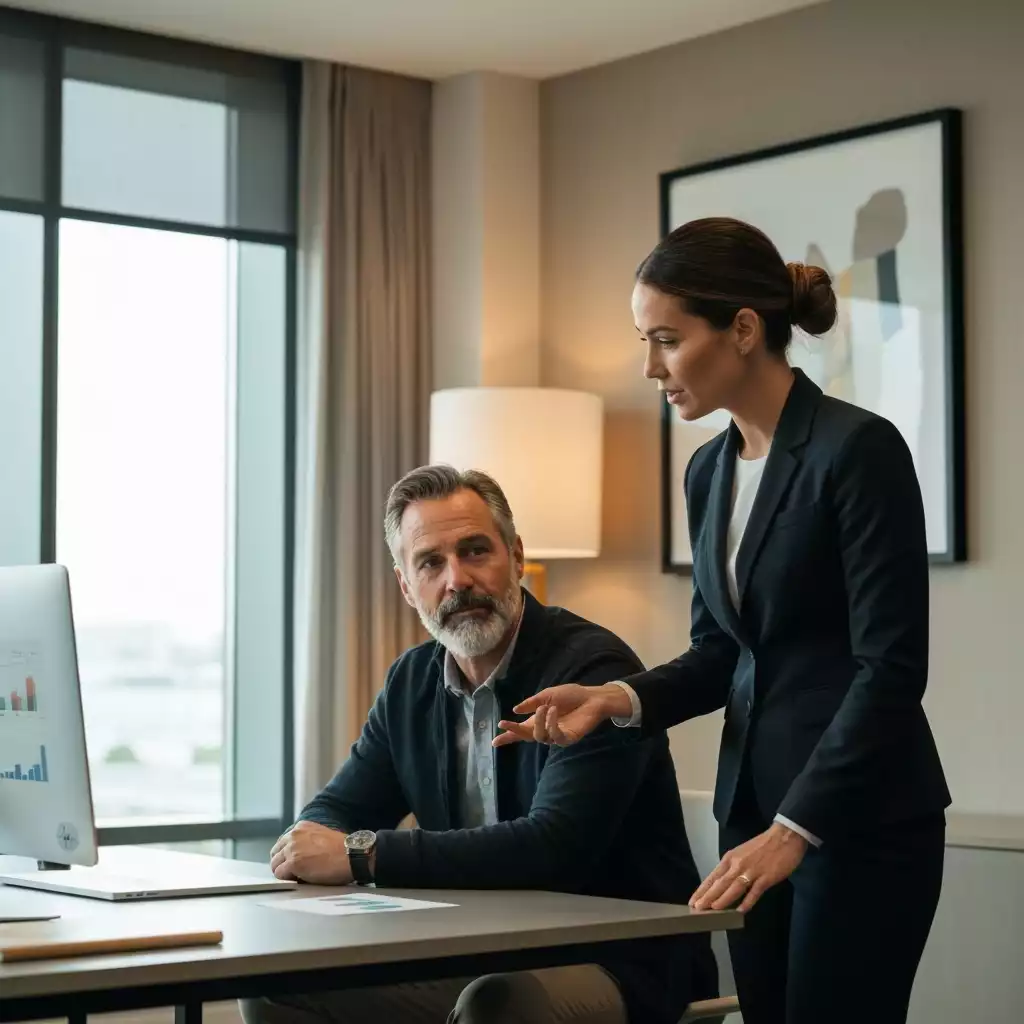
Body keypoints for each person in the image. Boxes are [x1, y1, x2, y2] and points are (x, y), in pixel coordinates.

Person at [495, 217, 951, 1024]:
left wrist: (795, 827)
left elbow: (891, 670)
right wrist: (616, 699)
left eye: (667, 340)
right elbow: (720, 652)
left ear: (742, 329)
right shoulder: (708, 471)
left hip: (859, 821)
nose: (650, 367)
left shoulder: (858, 449)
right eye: (645, 342)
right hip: (749, 820)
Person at [240, 465, 717, 1024]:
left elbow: (553, 849)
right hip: (473, 953)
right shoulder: (410, 682)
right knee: (274, 987)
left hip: (618, 960)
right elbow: (338, 809)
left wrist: (360, 855)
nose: (457, 580)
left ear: (515, 556)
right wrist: (313, 842)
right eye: (430, 562)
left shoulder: (590, 669)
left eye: (475, 552)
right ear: (406, 585)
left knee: (498, 1004)